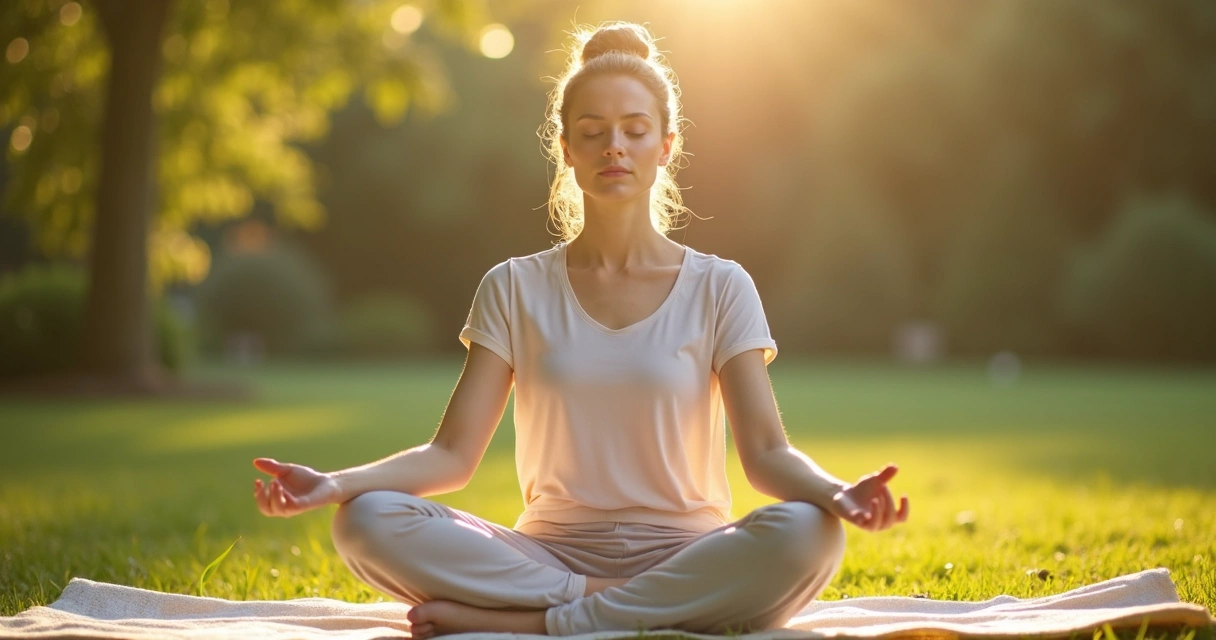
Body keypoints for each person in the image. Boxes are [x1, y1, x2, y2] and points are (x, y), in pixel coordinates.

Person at [252, 21, 909, 638]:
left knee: (810, 534)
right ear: (566, 151)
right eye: (592, 132)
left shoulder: (720, 285)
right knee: (366, 521)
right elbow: (451, 455)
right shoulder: (513, 286)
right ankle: (618, 606)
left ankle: (535, 624)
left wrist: (836, 493)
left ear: (666, 146)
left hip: (690, 550)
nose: (614, 147)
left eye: (634, 130)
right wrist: (334, 485)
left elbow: (767, 454)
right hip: (545, 551)